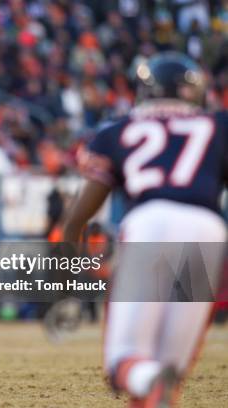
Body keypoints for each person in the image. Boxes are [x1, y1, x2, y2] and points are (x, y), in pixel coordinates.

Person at [63, 52, 226, 406]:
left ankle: (149, 376)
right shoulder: (218, 126)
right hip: (207, 228)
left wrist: (70, 263)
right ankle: (156, 378)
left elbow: (80, 214)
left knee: (125, 364)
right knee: (171, 369)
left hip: (150, 224)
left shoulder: (115, 132)